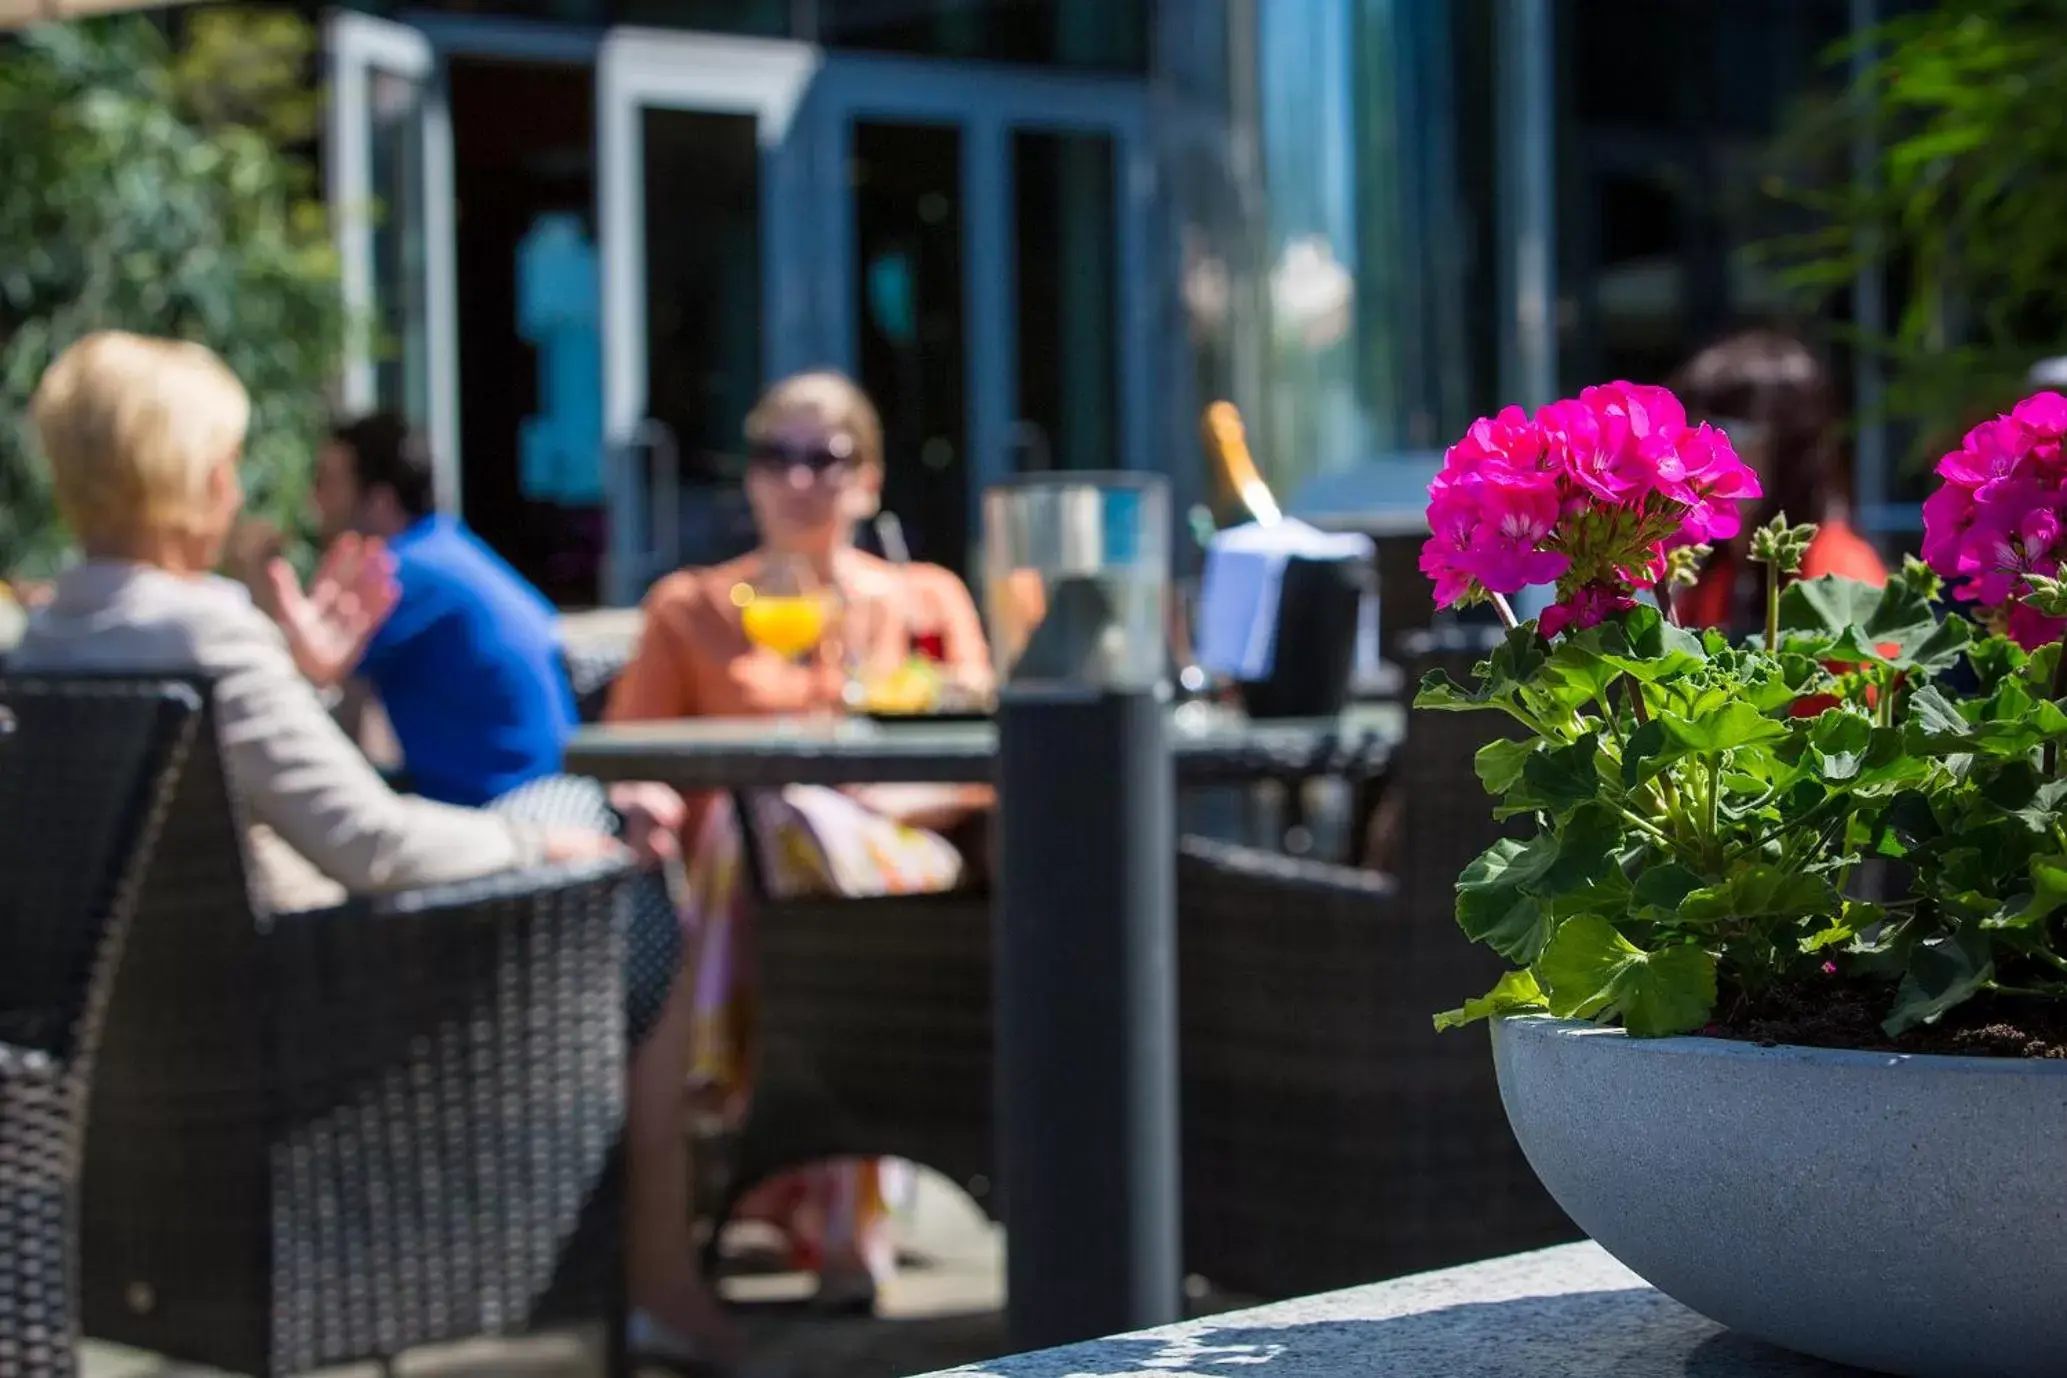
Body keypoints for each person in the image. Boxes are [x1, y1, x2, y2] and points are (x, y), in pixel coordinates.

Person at [10, 331, 734, 1365]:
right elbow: (374, 844)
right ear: (196, 478)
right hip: (327, 1031)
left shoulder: (46, 641)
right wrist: (538, 842)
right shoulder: (208, 634)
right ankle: (660, 1279)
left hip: (153, 1060)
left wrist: (307, 679)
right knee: (628, 867)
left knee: (593, 829)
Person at [606, 370, 993, 1310]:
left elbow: (996, 753)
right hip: (741, 890)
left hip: (908, 875)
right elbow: (629, 761)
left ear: (870, 479)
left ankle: (727, 1081)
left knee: (793, 821)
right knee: (769, 817)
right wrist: (646, 804)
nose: (801, 479)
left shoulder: (924, 600)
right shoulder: (692, 608)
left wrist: (887, 800)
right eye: (777, 456)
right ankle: (842, 1219)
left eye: (826, 457)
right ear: (749, 479)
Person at [274, 413, 576, 807]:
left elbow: (294, 691)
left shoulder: (396, 575)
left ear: (380, 500)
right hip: (547, 789)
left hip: (504, 808)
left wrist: (262, 576)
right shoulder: (444, 548)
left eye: (328, 483)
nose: (315, 501)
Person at [1669, 329, 1888, 634]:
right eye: (1689, 430)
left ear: (1791, 450)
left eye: (1724, 430)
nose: (1691, 454)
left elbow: (1872, 681)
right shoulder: (1718, 573)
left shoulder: (1840, 571)